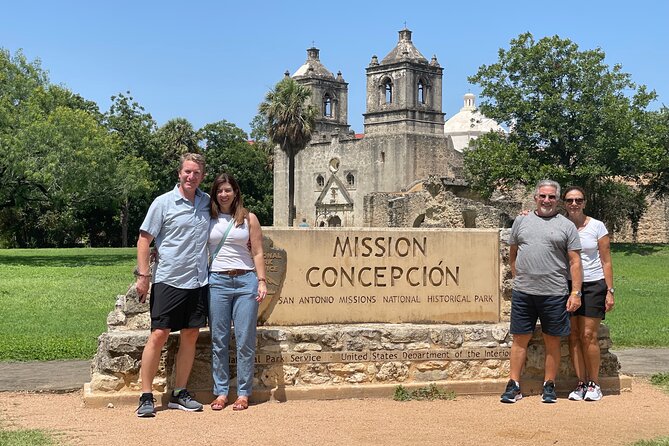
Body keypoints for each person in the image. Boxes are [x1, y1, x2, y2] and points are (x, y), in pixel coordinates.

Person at [135, 153, 210, 417]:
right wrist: (143, 276)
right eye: (187, 172)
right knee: (159, 335)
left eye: (197, 173)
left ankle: (179, 393)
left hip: (198, 280)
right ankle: (145, 396)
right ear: (179, 174)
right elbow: (144, 240)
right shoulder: (163, 203)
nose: (191, 177)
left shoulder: (207, 203)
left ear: (202, 176)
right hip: (169, 279)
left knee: (191, 334)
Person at [501, 179, 583, 404]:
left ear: (557, 200)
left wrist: (575, 293)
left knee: (553, 341)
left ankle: (549, 385)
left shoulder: (566, 226)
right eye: (543, 196)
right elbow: (513, 253)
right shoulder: (522, 220)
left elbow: (575, 262)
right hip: (524, 293)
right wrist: (520, 278)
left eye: (552, 197)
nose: (547, 200)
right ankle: (514, 385)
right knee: (520, 339)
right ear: (536, 197)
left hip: (555, 293)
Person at [208, 173, 267, 411]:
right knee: (218, 339)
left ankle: (243, 392)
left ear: (235, 193)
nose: (224, 194)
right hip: (218, 282)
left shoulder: (248, 218)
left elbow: (258, 252)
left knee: (245, 339)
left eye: (228, 190)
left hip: (245, 281)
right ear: (215, 194)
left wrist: (262, 280)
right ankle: (221, 392)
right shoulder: (208, 218)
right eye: (220, 190)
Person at [563, 186, 615, 402]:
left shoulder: (597, 226)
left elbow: (606, 260)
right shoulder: (560, 225)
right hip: (567, 284)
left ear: (584, 202)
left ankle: (594, 383)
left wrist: (610, 291)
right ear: (564, 203)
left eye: (578, 200)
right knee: (573, 335)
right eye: (569, 200)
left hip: (593, 284)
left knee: (588, 335)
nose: (574, 204)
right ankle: (581, 382)